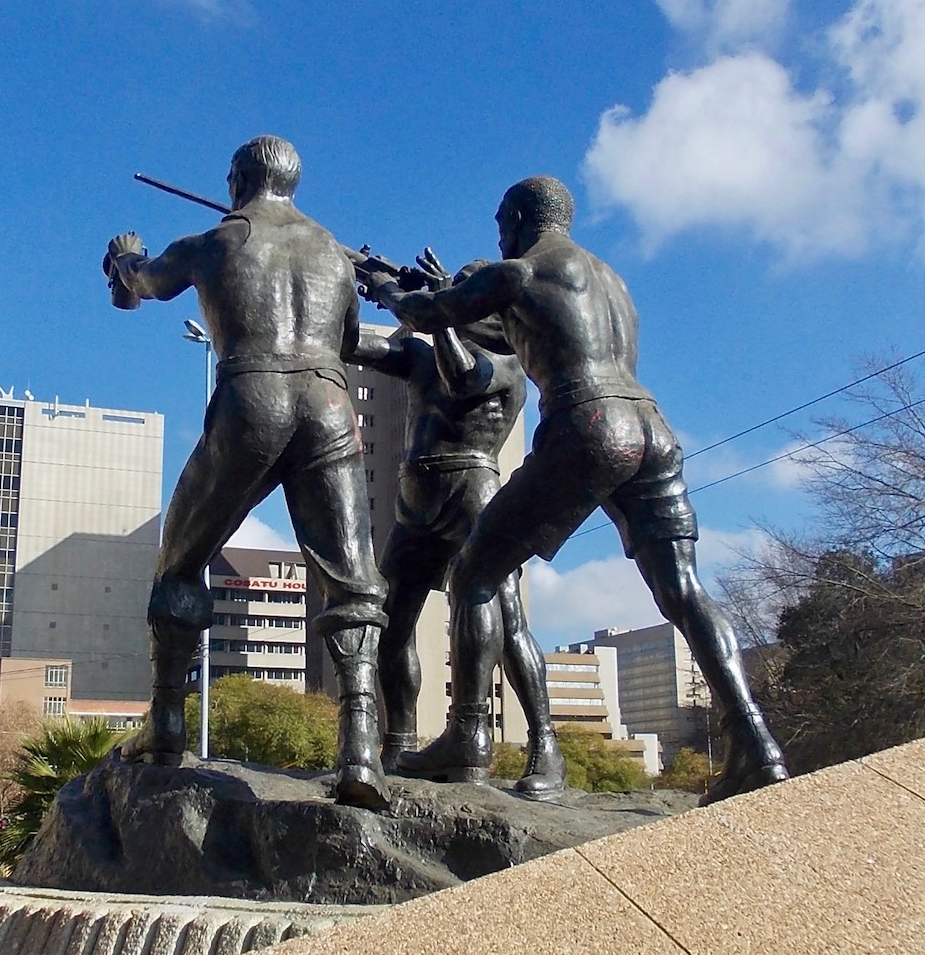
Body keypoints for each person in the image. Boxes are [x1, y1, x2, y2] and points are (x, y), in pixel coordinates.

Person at [356, 176, 788, 804]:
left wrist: (394, 290)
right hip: (651, 423)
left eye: (502, 219)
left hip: (588, 421)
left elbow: (427, 316)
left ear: (524, 217)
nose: (498, 231)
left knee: (475, 573)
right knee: (683, 589)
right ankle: (756, 743)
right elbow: (499, 321)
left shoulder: (520, 269)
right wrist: (449, 291)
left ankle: (467, 734)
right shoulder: (610, 281)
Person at [104, 135, 391, 809]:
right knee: (354, 582)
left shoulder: (212, 242)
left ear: (237, 181)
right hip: (327, 399)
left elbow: (141, 284)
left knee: (178, 564)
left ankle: (166, 721)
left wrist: (123, 260)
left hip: (251, 396)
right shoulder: (333, 252)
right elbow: (349, 344)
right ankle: (361, 749)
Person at [347, 254, 565, 797]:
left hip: (473, 490)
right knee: (391, 624)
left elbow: (467, 382)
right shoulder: (424, 353)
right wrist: (352, 285)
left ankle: (540, 743)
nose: (456, 296)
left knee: (507, 622)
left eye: (466, 291)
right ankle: (397, 743)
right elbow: (354, 344)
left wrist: (435, 310)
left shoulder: (509, 361)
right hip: (414, 500)